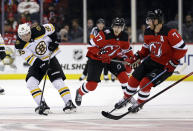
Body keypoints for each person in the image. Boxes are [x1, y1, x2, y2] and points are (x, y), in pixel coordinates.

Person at [115, 9, 187, 113]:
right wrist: (137, 56)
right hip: (151, 61)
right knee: (133, 79)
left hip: (164, 66)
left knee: (145, 83)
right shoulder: (148, 31)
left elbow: (182, 49)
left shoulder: (171, 33)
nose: (148, 22)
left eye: (151, 19)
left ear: (158, 20)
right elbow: (146, 49)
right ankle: (126, 98)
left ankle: (139, 103)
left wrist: (173, 62)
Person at [15, 23, 76, 115]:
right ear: (19, 35)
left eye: (27, 34)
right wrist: (42, 65)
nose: (25, 37)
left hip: (50, 58)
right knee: (31, 83)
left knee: (57, 82)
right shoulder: (20, 45)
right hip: (38, 63)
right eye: (23, 36)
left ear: (30, 31)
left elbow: (52, 27)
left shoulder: (38, 30)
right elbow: (31, 59)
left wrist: (55, 41)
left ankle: (69, 103)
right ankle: (42, 104)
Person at [75, 17, 134, 106]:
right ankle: (79, 92)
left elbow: (127, 50)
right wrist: (100, 54)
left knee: (124, 77)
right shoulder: (105, 34)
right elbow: (91, 45)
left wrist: (132, 59)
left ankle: (128, 97)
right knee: (92, 86)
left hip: (112, 59)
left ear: (122, 28)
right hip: (96, 59)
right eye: (115, 26)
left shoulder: (124, 36)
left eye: (119, 27)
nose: (117, 29)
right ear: (112, 26)